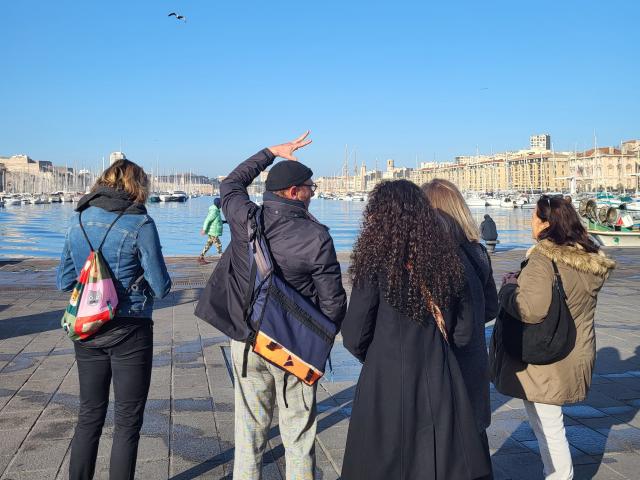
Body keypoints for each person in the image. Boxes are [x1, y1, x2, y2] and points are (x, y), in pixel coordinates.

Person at [195, 132, 346, 479]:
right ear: (294, 192)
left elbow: (232, 183)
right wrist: (319, 338)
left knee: (249, 433)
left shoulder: (244, 219)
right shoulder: (317, 236)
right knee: (298, 435)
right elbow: (333, 302)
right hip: (293, 346)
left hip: (248, 340)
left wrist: (271, 153)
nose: (314, 191)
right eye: (311, 186)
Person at [340, 179, 490, 480]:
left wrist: (380, 354)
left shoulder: (374, 266)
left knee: (381, 462)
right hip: (440, 373)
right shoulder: (449, 262)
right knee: (438, 461)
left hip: (385, 379)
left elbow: (354, 335)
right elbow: (464, 331)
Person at [57, 159, 172, 480]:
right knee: (127, 421)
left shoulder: (78, 219)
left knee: (89, 415)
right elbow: (161, 287)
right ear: (139, 186)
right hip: (130, 328)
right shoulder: (140, 223)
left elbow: (64, 281)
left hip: (87, 328)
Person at [490, 195, 615, 480]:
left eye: (534, 217)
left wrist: (509, 288)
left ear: (547, 222)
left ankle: (559, 476)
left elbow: (530, 309)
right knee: (548, 423)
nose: (531, 222)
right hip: (573, 351)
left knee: (549, 426)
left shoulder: (543, 258)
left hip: (546, 357)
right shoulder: (586, 258)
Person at [422, 178, 499, 479]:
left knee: (446, 448)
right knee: (475, 443)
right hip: (475, 363)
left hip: (446, 366)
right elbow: (490, 307)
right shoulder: (477, 252)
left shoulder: (435, 259)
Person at [198, 197, 223, 264]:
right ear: (218, 204)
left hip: (213, 231)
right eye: (221, 204)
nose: (221, 205)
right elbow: (207, 220)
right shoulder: (214, 211)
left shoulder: (216, 211)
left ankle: (201, 257)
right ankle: (222, 257)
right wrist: (204, 229)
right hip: (213, 232)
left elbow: (217, 221)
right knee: (218, 244)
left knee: (208, 244)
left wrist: (224, 221)